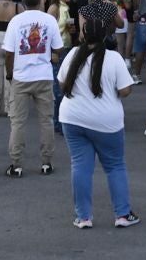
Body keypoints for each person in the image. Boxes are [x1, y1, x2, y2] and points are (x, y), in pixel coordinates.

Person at [58, 17, 138, 230]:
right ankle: (122, 214)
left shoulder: (72, 55)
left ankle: (83, 217)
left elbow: (61, 82)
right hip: (106, 121)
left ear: (83, 34)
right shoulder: (114, 58)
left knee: (80, 166)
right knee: (114, 166)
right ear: (106, 35)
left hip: (72, 117)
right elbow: (125, 90)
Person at [0, 0, 63, 177]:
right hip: (43, 76)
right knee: (46, 121)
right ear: (41, 1)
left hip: (21, 76)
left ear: (24, 2)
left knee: (18, 122)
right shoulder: (49, 20)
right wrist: (49, 55)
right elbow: (58, 48)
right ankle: (46, 162)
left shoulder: (16, 21)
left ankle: (16, 164)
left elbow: (9, 52)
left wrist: (10, 72)